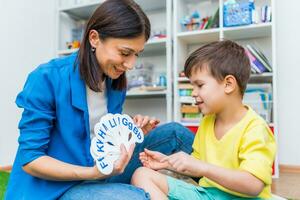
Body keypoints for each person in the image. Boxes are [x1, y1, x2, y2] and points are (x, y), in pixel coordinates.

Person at [5, 0, 194, 199]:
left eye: (136, 54)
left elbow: (100, 133)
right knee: (132, 197)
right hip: (56, 187)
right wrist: (94, 173)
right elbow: (31, 159)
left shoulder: (113, 81)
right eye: (125, 53)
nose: (131, 64)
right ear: (94, 38)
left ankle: (217, 186)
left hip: (100, 170)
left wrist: (132, 133)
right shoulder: (46, 78)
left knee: (174, 133)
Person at [131, 40, 277, 200]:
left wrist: (203, 168)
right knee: (141, 174)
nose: (193, 92)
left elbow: (253, 184)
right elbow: (195, 164)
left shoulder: (255, 128)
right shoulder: (208, 121)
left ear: (228, 84)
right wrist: (168, 163)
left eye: (199, 85)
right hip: (208, 195)